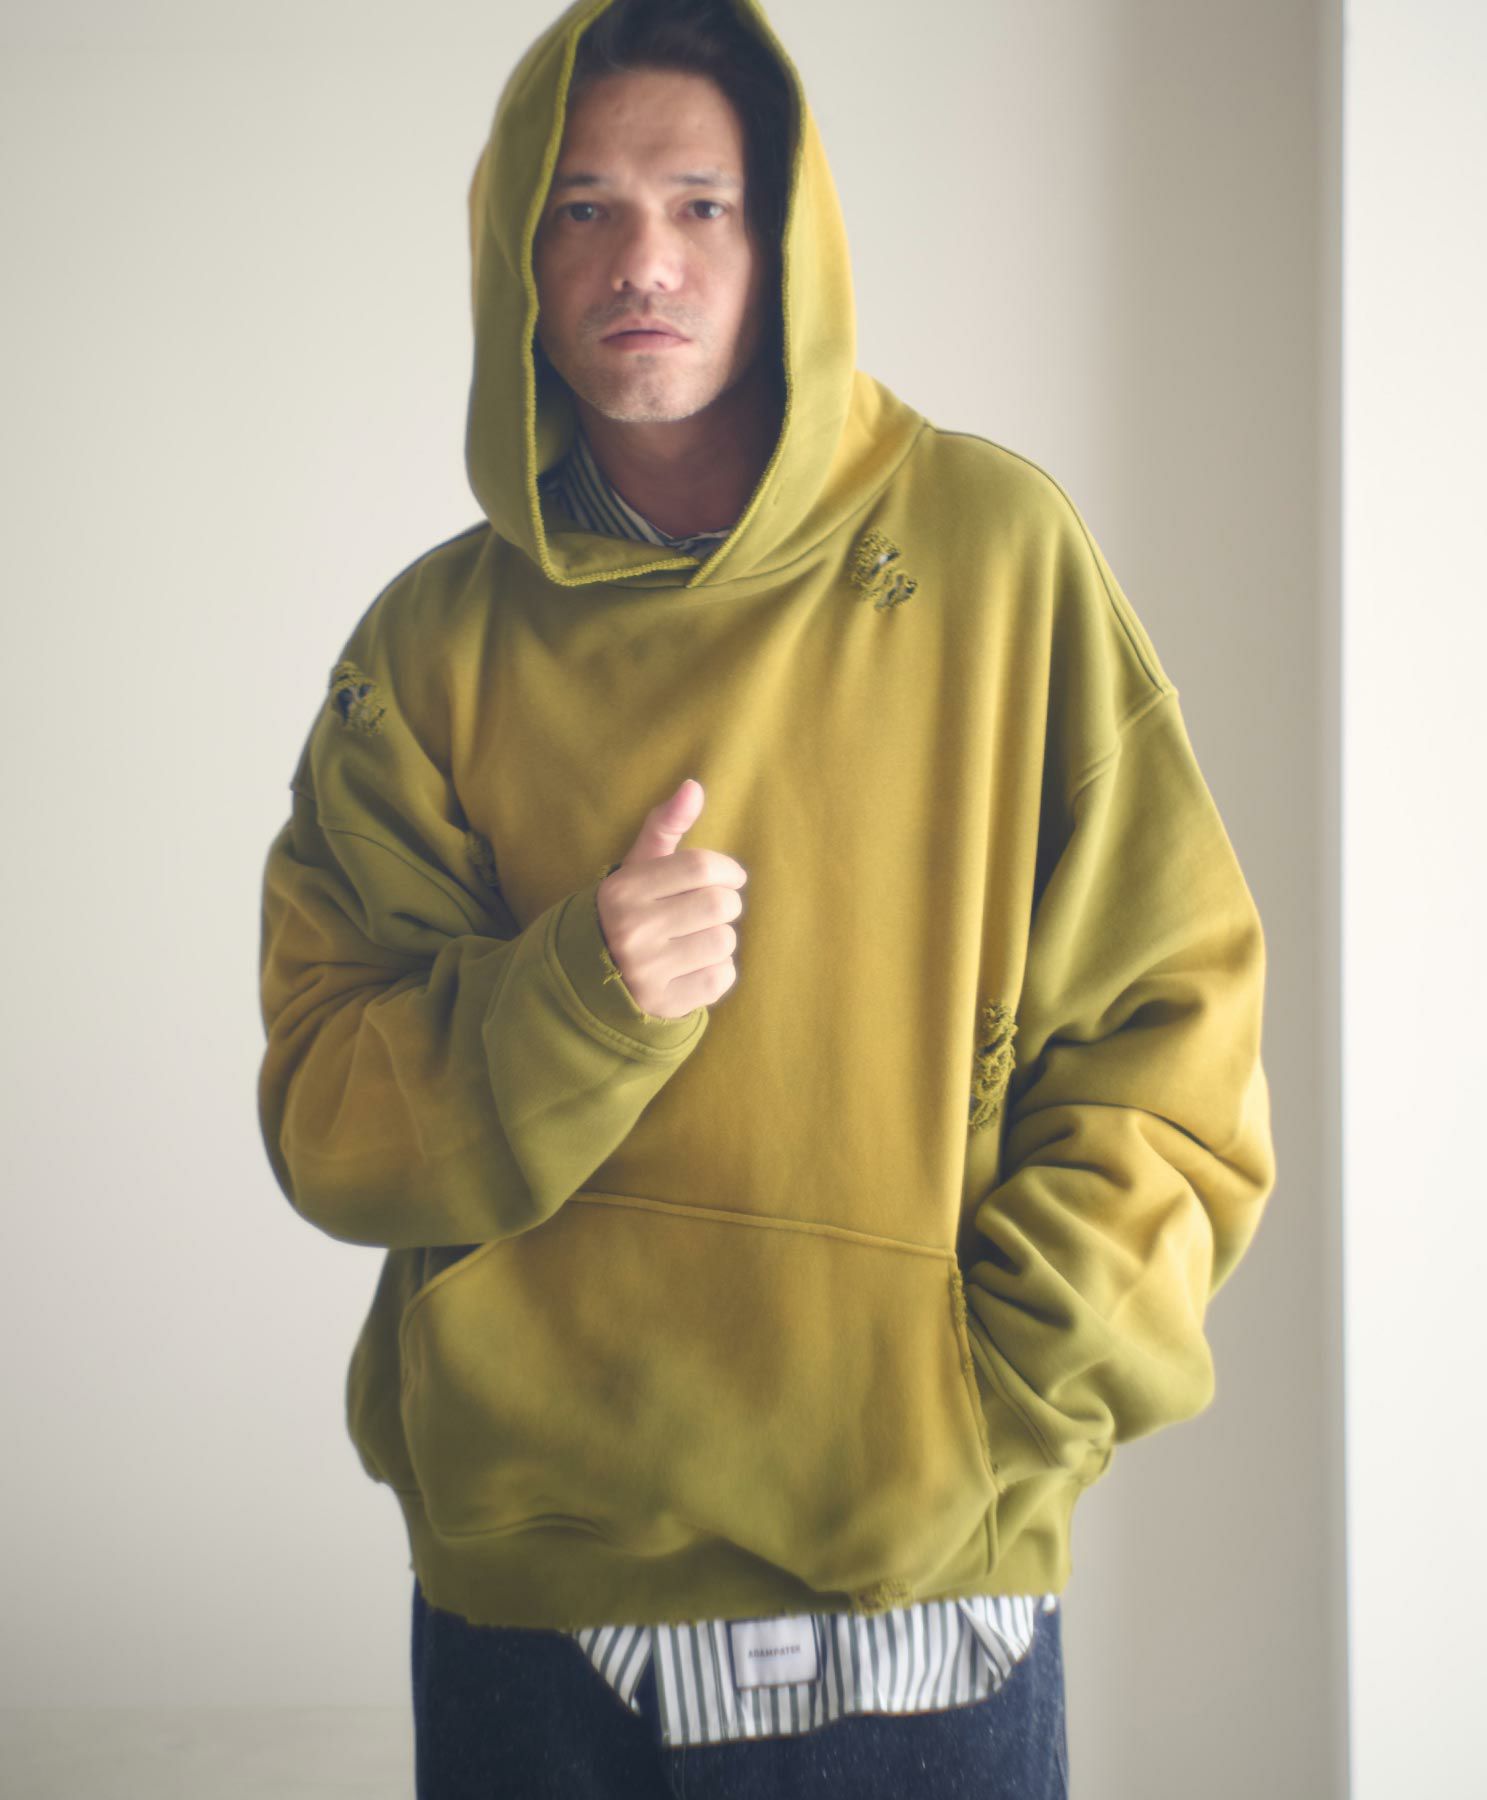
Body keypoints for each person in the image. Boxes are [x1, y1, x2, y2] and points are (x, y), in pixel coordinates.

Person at [255, 0, 1277, 1794]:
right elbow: (332, 1108)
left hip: (925, 1604)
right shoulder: (425, 649)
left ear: (784, 234)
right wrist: (576, 1001)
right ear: (514, 255)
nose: (640, 259)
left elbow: (1177, 1044)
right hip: (531, 1610)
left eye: (700, 204)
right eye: (582, 207)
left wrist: (994, 1404)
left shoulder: (995, 556)